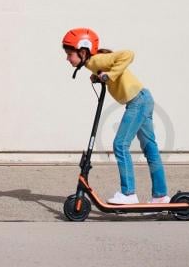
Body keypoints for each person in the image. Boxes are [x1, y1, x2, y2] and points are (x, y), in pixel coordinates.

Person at [62, 27, 169, 205]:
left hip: (138, 101)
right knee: (150, 149)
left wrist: (109, 75)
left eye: (69, 54)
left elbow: (128, 54)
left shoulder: (97, 59)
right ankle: (160, 196)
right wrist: (99, 77)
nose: (67, 58)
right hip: (142, 99)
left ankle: (129, 194)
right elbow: (106, 70)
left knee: (120, 144)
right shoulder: (93, 64)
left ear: (82, 51)